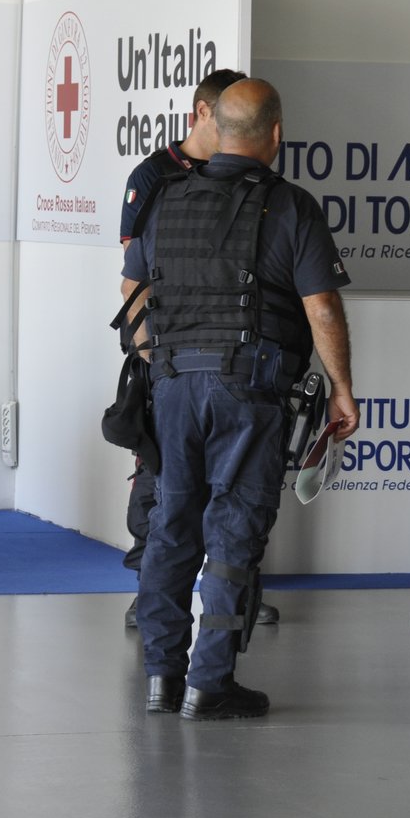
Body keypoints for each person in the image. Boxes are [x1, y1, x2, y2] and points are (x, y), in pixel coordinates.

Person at [121, 78, 358, 720]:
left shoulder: (161, 198)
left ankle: (161, 681)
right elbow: (322, 308)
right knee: (233, 532)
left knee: (171, 527)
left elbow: (134, 296)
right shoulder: (291, 206)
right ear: (275, 135)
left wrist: (162, 365)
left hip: (171, 386)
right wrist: (342, 388)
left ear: (217, 126)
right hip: (249, 389)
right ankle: (210, 684)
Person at [115, 69, 269, 629]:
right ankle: (146, 589)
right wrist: (150, 353)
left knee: (236, 486)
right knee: (162, 481)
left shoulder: (246, 177)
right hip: (170, 354)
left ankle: (232, 593)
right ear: (206, 112)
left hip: (231, 356)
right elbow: (134, 278)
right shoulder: (154, 176)